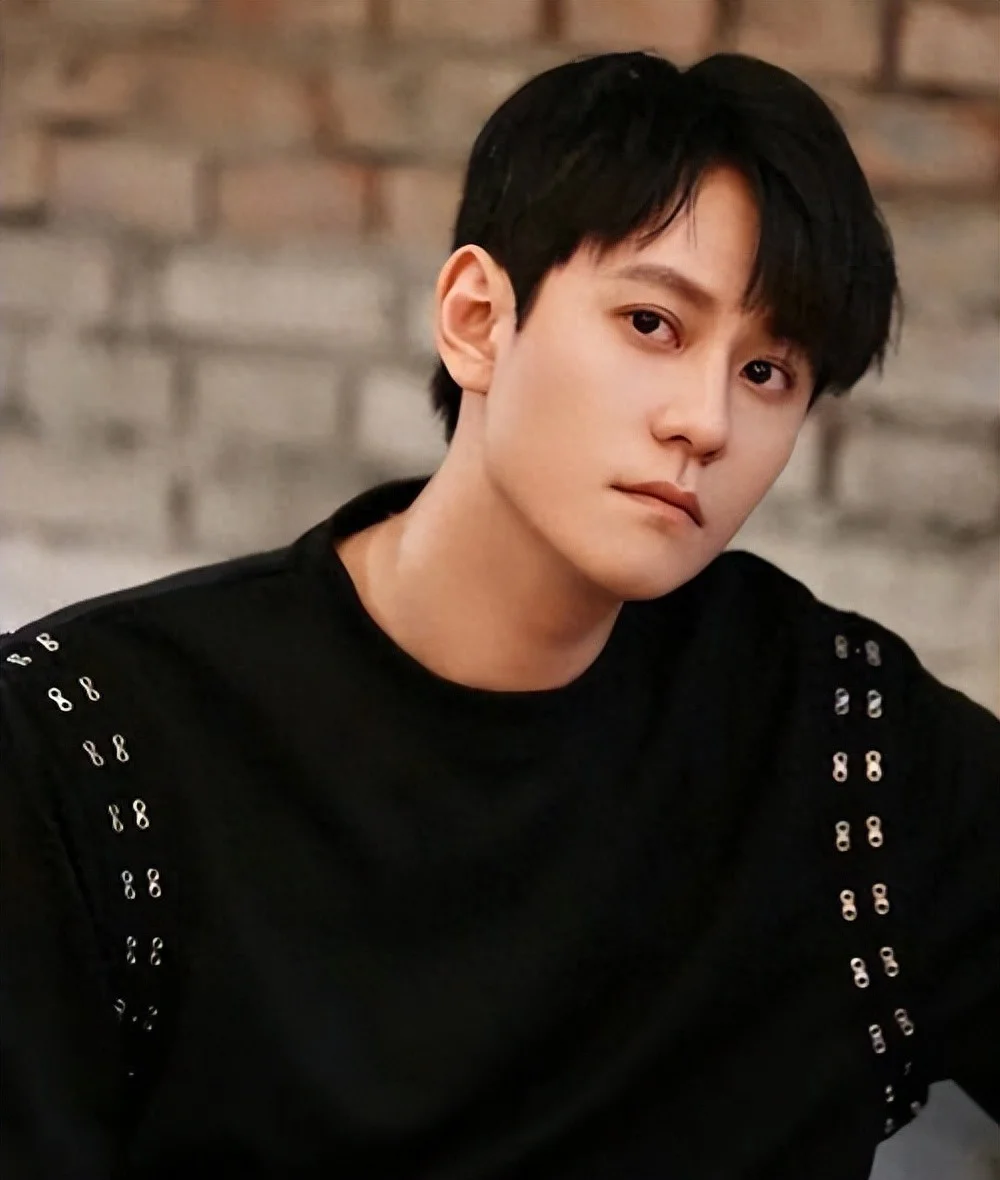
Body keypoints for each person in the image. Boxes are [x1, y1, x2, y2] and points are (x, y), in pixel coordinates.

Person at [1, 49, 996, 1180]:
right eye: (653, 323)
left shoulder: (844, 745)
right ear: (477, 319)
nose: (706, 422)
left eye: (768, 372)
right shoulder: (89, 748)